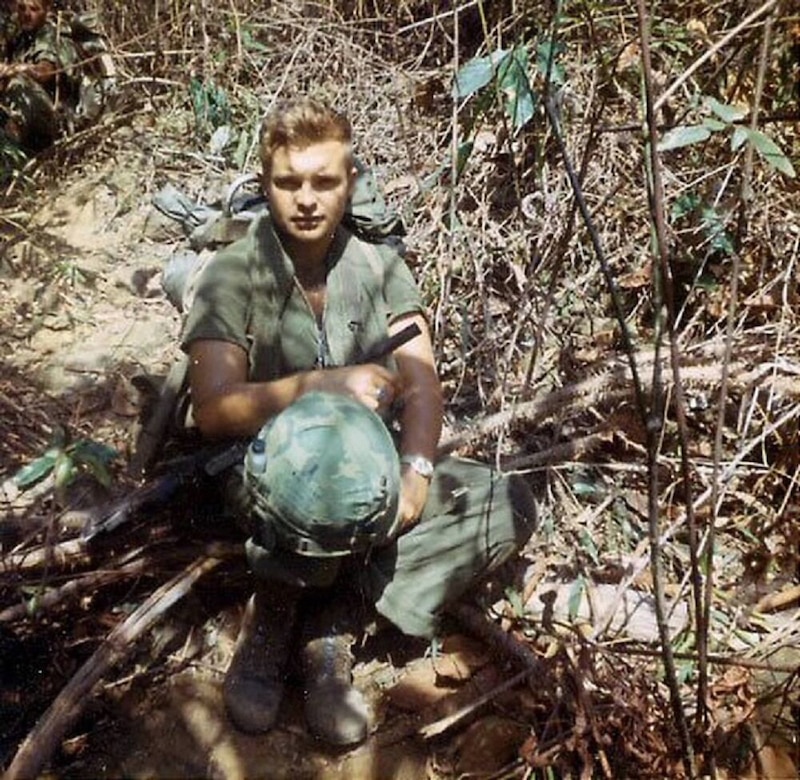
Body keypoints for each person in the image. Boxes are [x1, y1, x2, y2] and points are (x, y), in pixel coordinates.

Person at [180, 97, 537, 746]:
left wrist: (417, 473)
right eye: (289, 183)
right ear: (267, 186)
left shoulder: (380, 267)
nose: (307, 199)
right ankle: (275, 617)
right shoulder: (232, 273)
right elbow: (213, 410)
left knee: (505, 501)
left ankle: (335, 622)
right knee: (312, 482)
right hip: (262, 483)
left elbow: (422, 381)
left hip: (369, 473)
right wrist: (319, 386)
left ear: (350, 182)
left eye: (324, 181)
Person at [0, 0, 78, 153]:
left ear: (47, 10)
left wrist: (14, 69)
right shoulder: (22, 39)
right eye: (22, 8)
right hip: (32, 119)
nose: (27, 15)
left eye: (34, 9)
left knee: (17, 83)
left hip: (56, 121)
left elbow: (45, 72)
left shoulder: (51, 34)